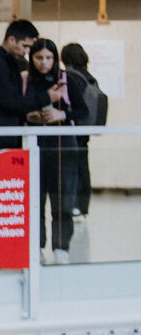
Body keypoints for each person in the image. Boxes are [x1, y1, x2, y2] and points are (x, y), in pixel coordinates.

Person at [0, 19, 66, 171]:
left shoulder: (2, 62)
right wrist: (46, 98)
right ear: (11, 40)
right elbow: (10, 101)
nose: (27, 51)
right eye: (25, 46)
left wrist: (26, 116)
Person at [27, 39, 91, 264]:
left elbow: (83, 111)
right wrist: (30, 116)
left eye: (48, 58)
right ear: (32, 58)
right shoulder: (27, 80)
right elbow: (17, 107)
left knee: (63, 198)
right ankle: (36, 245)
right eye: (39, 58)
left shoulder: (67, 79)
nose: (44, 63)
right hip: (35, 146)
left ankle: (61, 246)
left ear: (55, 59)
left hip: (64, 145)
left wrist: (61, 115)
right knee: (35, 198)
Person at [61, 42, 106, 218]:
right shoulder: (89, 76)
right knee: (83, 166)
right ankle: (83, 207)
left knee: (71, 168)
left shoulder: (71, 76)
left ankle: (73, 205)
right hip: (86, 128)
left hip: (74, 127)